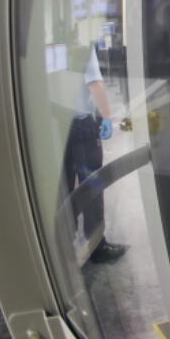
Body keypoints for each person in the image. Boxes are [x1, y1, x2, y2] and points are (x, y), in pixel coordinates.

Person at [62, 45, 127, 264]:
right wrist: (107, 116)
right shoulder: (81, 45)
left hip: (56, 123)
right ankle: (96, 246)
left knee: (63, 187)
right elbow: (95, 83)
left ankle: (63, 244)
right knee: (92, 186)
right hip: (81, 125)